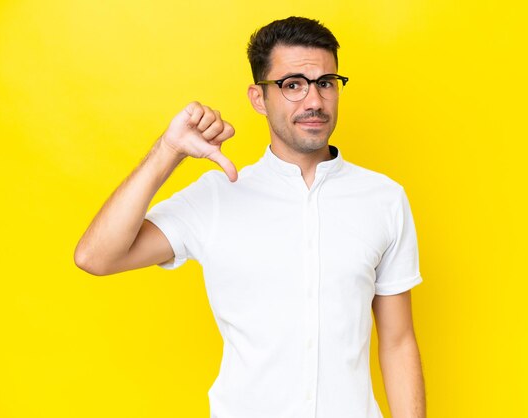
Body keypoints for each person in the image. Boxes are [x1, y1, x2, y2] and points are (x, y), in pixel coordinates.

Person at [75, 16, 426, 418]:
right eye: (292, 85)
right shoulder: (216, 197)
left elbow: (398, 342)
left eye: (326, 83)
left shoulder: (383, 199)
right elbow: (95, 257)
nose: (314, 101)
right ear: (259, 98)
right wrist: (168, 149)